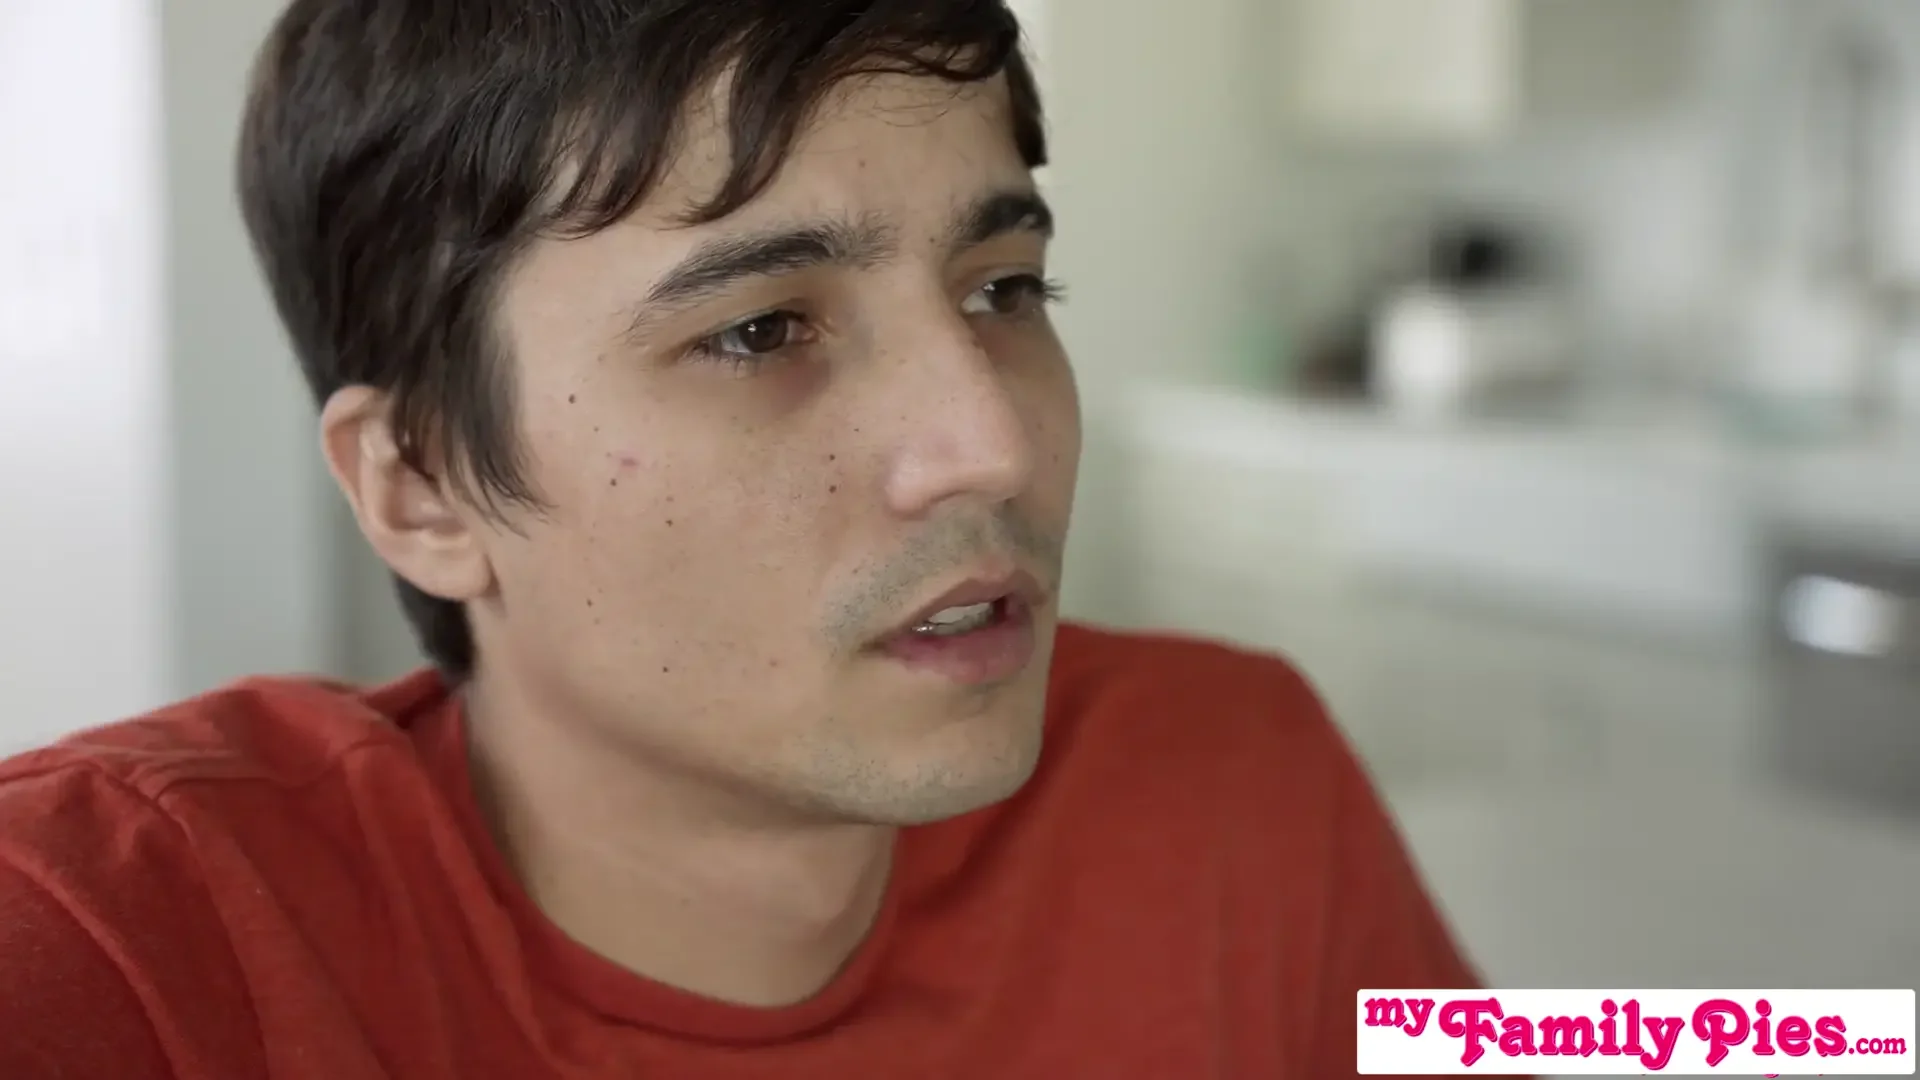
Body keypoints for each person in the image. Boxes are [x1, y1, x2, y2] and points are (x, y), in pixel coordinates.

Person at [0, 1, 1485, 1075]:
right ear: (422, 487)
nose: (994, 443)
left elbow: (1541, 1043)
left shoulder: (1232, 772)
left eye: (1003, 290)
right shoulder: (117, 943)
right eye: (763, 331)